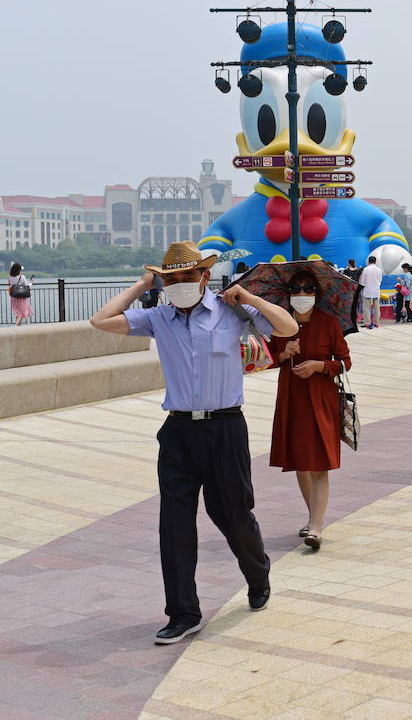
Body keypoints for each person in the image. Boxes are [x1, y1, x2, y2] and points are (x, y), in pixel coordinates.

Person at [88, 241, 298, 645]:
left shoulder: (231, 311)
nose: (181, 284)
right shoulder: (157, 319)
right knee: (175, 526)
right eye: (173, 279)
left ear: (205, 276)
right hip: (179, 432)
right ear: (164, 282)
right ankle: (184, 612)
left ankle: (258, 574)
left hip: (225, 429)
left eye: (189, 276)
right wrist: (141, 284)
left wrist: (250, 295)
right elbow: (100, 321)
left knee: (234, 516)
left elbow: (288, 328)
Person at [268, 271, 352, 550]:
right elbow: (265, 359)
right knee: (300, 462)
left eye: (309, 289)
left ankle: (316, 525)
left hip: (320, 398)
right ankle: (312, 514)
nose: (302, 294)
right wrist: (283, 354)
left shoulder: (328, 323)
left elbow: (344, 362)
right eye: (296, 288)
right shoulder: (279, 323)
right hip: (292, 398)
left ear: (317, 293)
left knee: (319, 463)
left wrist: (319, 366)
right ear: (288, 293)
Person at [359, 256, 383, 329]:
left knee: (366, 308)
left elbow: (362, 281)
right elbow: (380, 280)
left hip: (367, 291)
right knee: (376, 308)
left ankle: (367, 323)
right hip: (376, 291)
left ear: (368, 262)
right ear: (375, 262)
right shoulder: (379, 270)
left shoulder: (366, 269)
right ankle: (376, 323)